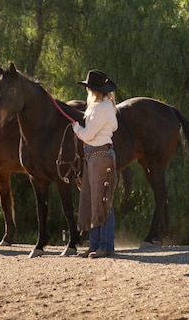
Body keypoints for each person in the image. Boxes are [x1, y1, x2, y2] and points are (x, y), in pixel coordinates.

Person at [72, 69, 119, 258]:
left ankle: (105, 246)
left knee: (102, 201)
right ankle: (96, 245)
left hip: (99, 155)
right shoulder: (102, 106)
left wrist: (76, 127)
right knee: (94, 200)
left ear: (93, 90)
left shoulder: (101, 108)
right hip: (95, 156)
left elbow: (88, 134)